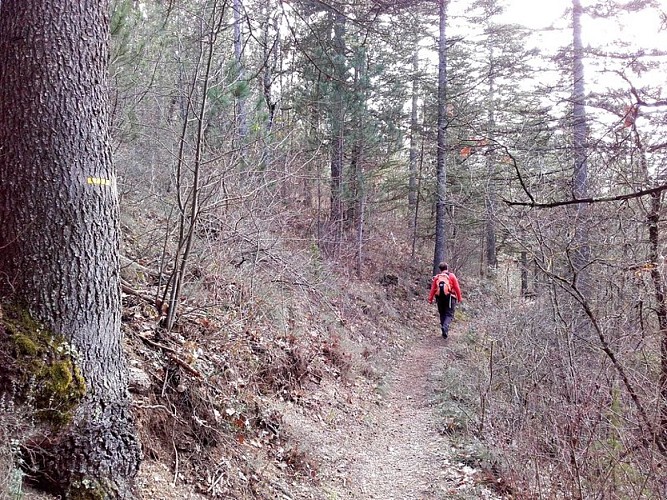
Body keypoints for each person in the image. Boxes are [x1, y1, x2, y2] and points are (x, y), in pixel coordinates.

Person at [428, 262, 463, 338]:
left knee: (442, 313)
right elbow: (457, 288)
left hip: (439, 298)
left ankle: (444, 329)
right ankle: (445, 327)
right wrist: (459, 298)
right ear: (447, 268)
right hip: (450, 297)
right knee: (449, 314)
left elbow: (433, 289)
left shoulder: (437, 277)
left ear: (440, 269)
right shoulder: (451, 276)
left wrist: (430, 299)